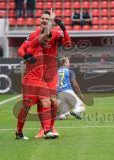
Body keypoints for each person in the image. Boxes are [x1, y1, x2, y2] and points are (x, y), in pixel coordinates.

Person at [28, 10, 71, 138]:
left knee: (52, 101)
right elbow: (37, 43)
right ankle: (44, 128)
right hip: (37, 72)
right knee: (41, 102)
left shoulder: (56, 34)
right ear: (39, 20)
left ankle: (51, 127)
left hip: (51, 71)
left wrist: (64, 28)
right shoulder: (34, 34)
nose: (44, 20)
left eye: (47, 18)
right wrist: (51, 21)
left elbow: (67, 43)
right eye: (42, 18)